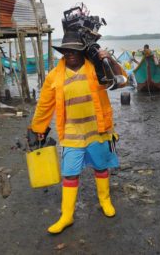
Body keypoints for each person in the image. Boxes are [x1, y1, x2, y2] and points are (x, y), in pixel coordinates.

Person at [29, 31, 127, 234]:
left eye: (74, 50)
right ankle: (66, 216)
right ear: (62, 52)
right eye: (66, 50)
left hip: (98, 129)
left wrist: (109, 59)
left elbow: (123, 80)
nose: (70, 53)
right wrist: (38, 129)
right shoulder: (54, 76)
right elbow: (44, 105)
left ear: (82, 50)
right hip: (72, 132)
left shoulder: (96, 68)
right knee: (70, 173)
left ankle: (105, 201)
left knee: (101, 168)